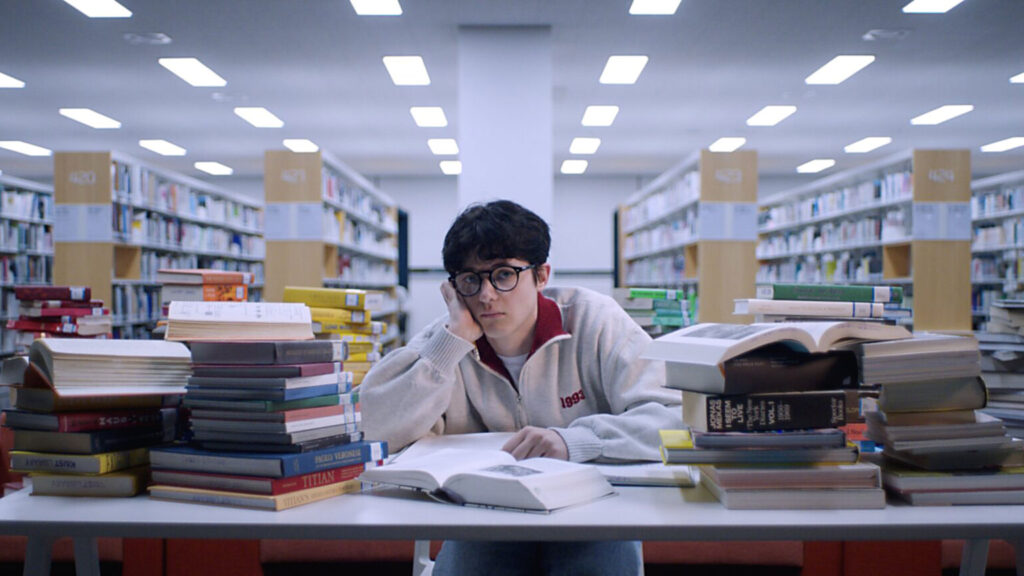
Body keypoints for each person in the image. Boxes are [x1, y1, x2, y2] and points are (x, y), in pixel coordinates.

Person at [360, 199, 682, 576]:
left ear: (542, 275)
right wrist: (453, 341)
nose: (486, 295)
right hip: (483, 516)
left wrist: (575, 441)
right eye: (470, 279)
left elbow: (675, 417)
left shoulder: (596, 319)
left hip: (591, 510)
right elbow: (370, 428)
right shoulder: (444, 343)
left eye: (503, 275)